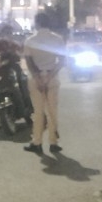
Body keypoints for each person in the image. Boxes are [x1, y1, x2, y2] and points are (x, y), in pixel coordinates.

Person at [22, 12, 66, 154]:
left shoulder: (30, 40)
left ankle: (37, 142)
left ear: (37, 23)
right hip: (52, 78)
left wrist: (38, 78)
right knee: (53, 111)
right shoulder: (58, 39)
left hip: (36, 80)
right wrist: (49, 76)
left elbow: (29, 62)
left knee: (38, 112)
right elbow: (62, 61)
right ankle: (53, 142)